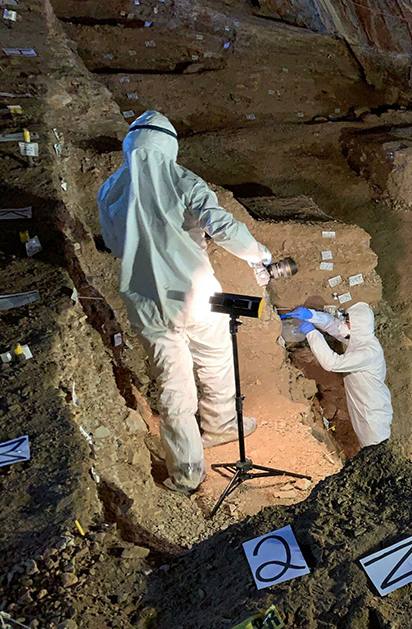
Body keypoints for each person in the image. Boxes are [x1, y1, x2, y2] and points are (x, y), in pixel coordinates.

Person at [97, 110, 273, 494]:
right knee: (215, 356)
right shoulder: (183, 181)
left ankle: (188, 470)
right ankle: (222, 424)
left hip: (145, 300)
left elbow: (112, 243)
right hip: (196, 295)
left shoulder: (111, 189)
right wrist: (258, 253)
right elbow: (222, 226)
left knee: (172, 383)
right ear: (168, 147)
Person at [280, 303, 392, 448]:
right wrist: (312, 315)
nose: (344, 323)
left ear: (359, 325)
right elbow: (334, 326)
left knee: (374, 449)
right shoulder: (359, 338)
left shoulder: (368, 351)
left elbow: (332, 363)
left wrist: (311, 333)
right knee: (365, 444)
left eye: (348, 321)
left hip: (372, 412)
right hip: (361, 404)